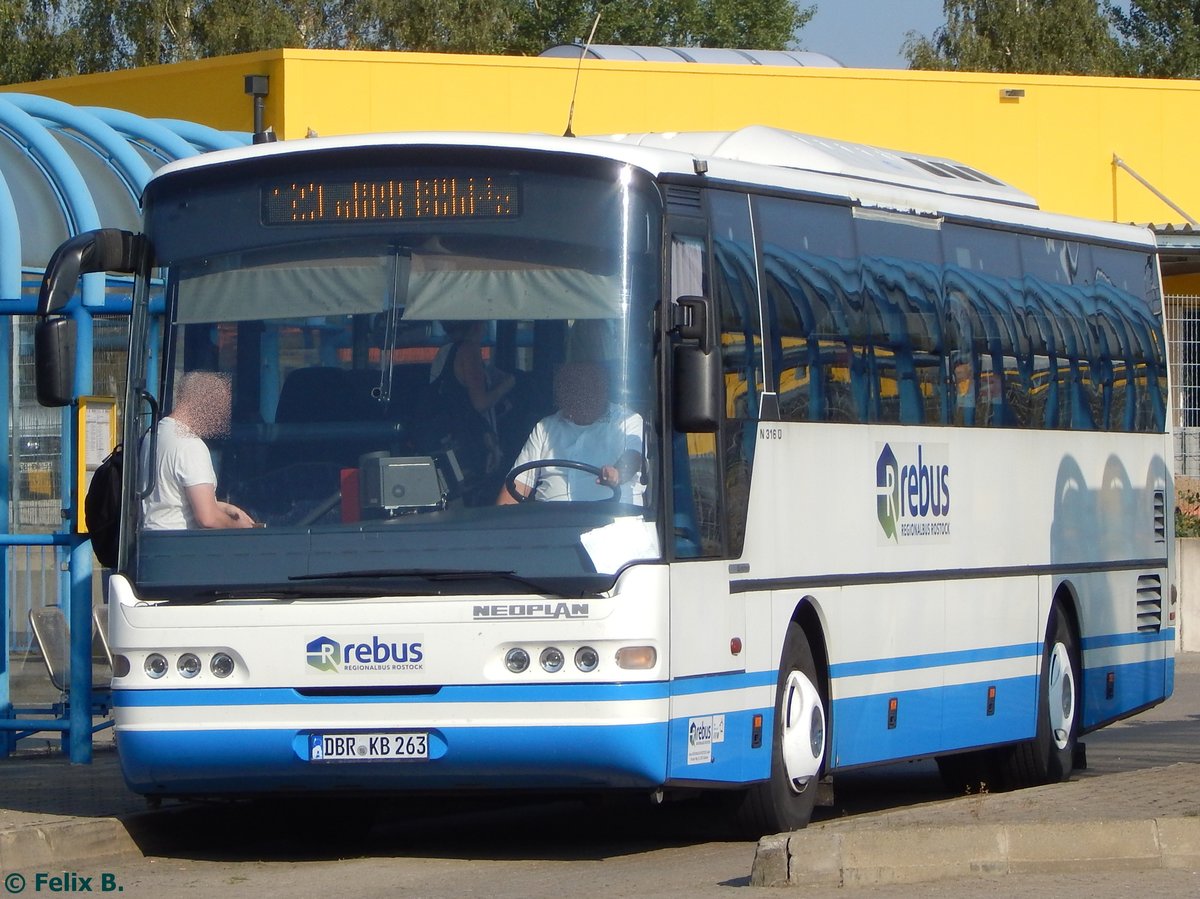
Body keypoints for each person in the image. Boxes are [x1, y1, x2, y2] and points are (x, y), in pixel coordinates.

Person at [498, 361, 645, 505]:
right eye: (570, 385)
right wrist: (499, 526)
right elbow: (517, 486)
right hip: (549, 525)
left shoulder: (628, 421)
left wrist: (617, 474)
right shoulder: (546, 427)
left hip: (612, 525)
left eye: (586, 385)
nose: (578, 392)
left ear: (602, 387)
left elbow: (633, 457)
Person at [142, 371, 256, 530]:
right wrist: (242, 527)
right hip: (181, 546)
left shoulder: (155, 435)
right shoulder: (191, 446)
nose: (221, 417)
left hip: (152, 539)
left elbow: (172, 499)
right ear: (203, 401)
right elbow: (207, 518)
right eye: (219, 407)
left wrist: (223, 507)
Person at [429, 320, 516, 481]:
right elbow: (480, 403)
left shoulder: (445, 351)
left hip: (445, 437)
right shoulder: (469, 350)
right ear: (477, 324)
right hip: (467, 441)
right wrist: (507, 385)